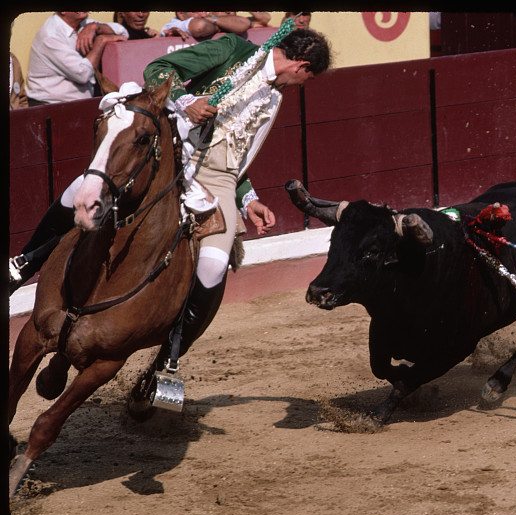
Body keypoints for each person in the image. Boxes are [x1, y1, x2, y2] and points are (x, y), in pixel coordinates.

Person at [10, 22, 332, 377]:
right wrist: (187, 101)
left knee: (213, 264)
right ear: (302, 67)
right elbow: (158, 70)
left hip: (217, 180)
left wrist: (247, 199)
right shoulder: (232, 51)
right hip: (172, 151)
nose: (303, 86)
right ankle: (24, 263)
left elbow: (235, 156)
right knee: (81, 190)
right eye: (309, 79)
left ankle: (169, 357)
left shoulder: (274, 98)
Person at [26, 12, 127, 106]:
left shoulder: (84, 23)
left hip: (79, 105)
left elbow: (123, 32)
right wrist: (100, 42)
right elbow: (83, 74)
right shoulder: (50, 36)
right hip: (51, 107)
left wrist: (96, 27)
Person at [160, 11, 259, 40]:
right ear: (181, 14)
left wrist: (213, 20)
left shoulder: (209, 19)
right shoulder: (173, 25)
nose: (203, 15)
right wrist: (220, 26)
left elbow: (244, 23)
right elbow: (199, 26)